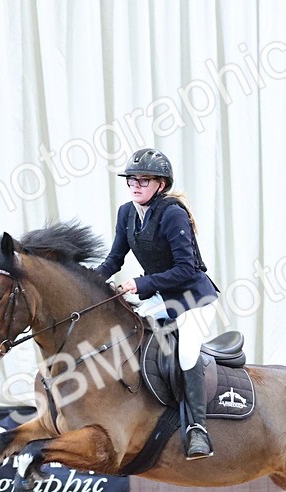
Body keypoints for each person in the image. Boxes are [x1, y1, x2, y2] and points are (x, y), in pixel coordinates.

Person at [95, 148, 219, 460]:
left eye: (144, 180)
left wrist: (142, 283)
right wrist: (90, 282)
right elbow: (114, 259)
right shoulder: (127, 213)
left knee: (187, 354)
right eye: (132, 180)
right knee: (126, 335)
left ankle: (198, 430)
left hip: (194, 301)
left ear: (160, 184)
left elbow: (186, 269)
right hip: (162, 301)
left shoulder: (172, 213)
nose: (135, 185)